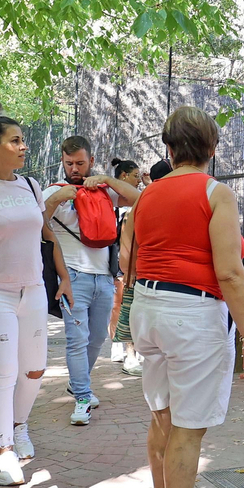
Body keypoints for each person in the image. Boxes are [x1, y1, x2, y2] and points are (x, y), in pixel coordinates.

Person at [126, 107, 244, 488]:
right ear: (211, 148)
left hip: (147, 309)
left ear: (168, 148)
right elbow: (229, 271)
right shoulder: (215, 192)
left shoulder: (146, 196)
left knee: (162, 415)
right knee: (188, 428)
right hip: (192, 315)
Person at [0, 98, 73, 486]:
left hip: (34, 292)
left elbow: (45, 233)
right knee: (3, 373)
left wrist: (64, 275)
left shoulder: (31, 185)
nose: (24, 146)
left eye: (23, 140)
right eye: (16, 140)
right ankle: (4, 450)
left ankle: (20, 425)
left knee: (35, 369)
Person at [42, 137, 141, 426]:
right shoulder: (56, 191)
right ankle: (83, 397)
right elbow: (36, 222)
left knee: (97, 337)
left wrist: (108, 180)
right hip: (72, 278)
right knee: (76, 340)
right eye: (69, 163)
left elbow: (139, 198)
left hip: (104, 279)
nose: (74, 168)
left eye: (80, 163)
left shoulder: (102, 192)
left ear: (91, 161)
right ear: (63, 161)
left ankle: (77, 384)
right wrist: (56, 199)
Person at [108, 157, 147, 376]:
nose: (138, 181)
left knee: (121, 305)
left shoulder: (136, 202)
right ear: (123, 176)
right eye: (135, 176)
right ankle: (122, 347)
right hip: (121, 263)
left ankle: (120, 344)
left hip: (125, 264)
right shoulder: (120, 204)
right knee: (120, 305)